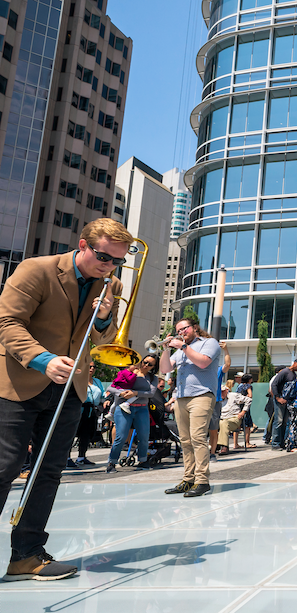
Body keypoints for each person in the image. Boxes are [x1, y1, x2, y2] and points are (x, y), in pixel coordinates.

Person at [0, 218, 129, 582]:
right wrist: (44, 359)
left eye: (116, 261)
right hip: (19, 380)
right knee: (5, 464)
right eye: (103, 257)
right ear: (83, 245)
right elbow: (7, 322)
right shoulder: (36, 270)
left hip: (71, 387)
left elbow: (100, 342)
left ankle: (26, 555)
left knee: (49, 471)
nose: (109, 266)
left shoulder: (111, 283)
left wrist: (103, 316)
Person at [159, 318, 223, 497]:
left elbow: (203, 362)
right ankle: (188, 479)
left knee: (197, 438)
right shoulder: (179, 350)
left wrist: (183, 347)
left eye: (184, 329)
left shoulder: (209, 343)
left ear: (195, 328)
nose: (181, 332)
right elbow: (165, 369)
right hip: (181, 397)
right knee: (185, 440)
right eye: (178, 330)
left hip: (201, 396)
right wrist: (165, 349)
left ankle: (202, 481)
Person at [105, 357, 159, 472]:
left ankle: (143, 461)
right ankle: (112, 462)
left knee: (144, 437)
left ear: (153, 367)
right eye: (145, 362)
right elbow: (111, 387)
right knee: (121, 437)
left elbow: (151, 393)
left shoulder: (152, 378)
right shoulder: (128, 372)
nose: (146, 365)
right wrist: (121, 393)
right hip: (124, 408)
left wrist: (135, 393)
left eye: (150, 364)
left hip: (142, 409)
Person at [268, 358, 297, 450]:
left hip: (287, 400)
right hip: (279, 399)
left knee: (285, 422)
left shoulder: (294, 374)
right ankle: (275, 443)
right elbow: (274, 384)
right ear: (295, 363)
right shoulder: (284, 372)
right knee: (278, 421)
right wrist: (277, 397)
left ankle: (282, 442)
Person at [74, 363, 105, 467]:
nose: (92, 369)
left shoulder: (97, 381)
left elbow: (103, 395)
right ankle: (67, 458)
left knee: (87, 434)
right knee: (72, 433)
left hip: (92, 411)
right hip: (79, 409)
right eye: (89, 366)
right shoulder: (78, 379)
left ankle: (81, 457)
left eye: (94, 367)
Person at [208, 341, 231, 461]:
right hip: (201, 401)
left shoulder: (217, 370)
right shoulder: (199, 369)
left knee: (213, 429)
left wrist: (226, 350)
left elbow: (227, 364)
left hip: (215, 402)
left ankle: (212, 453)